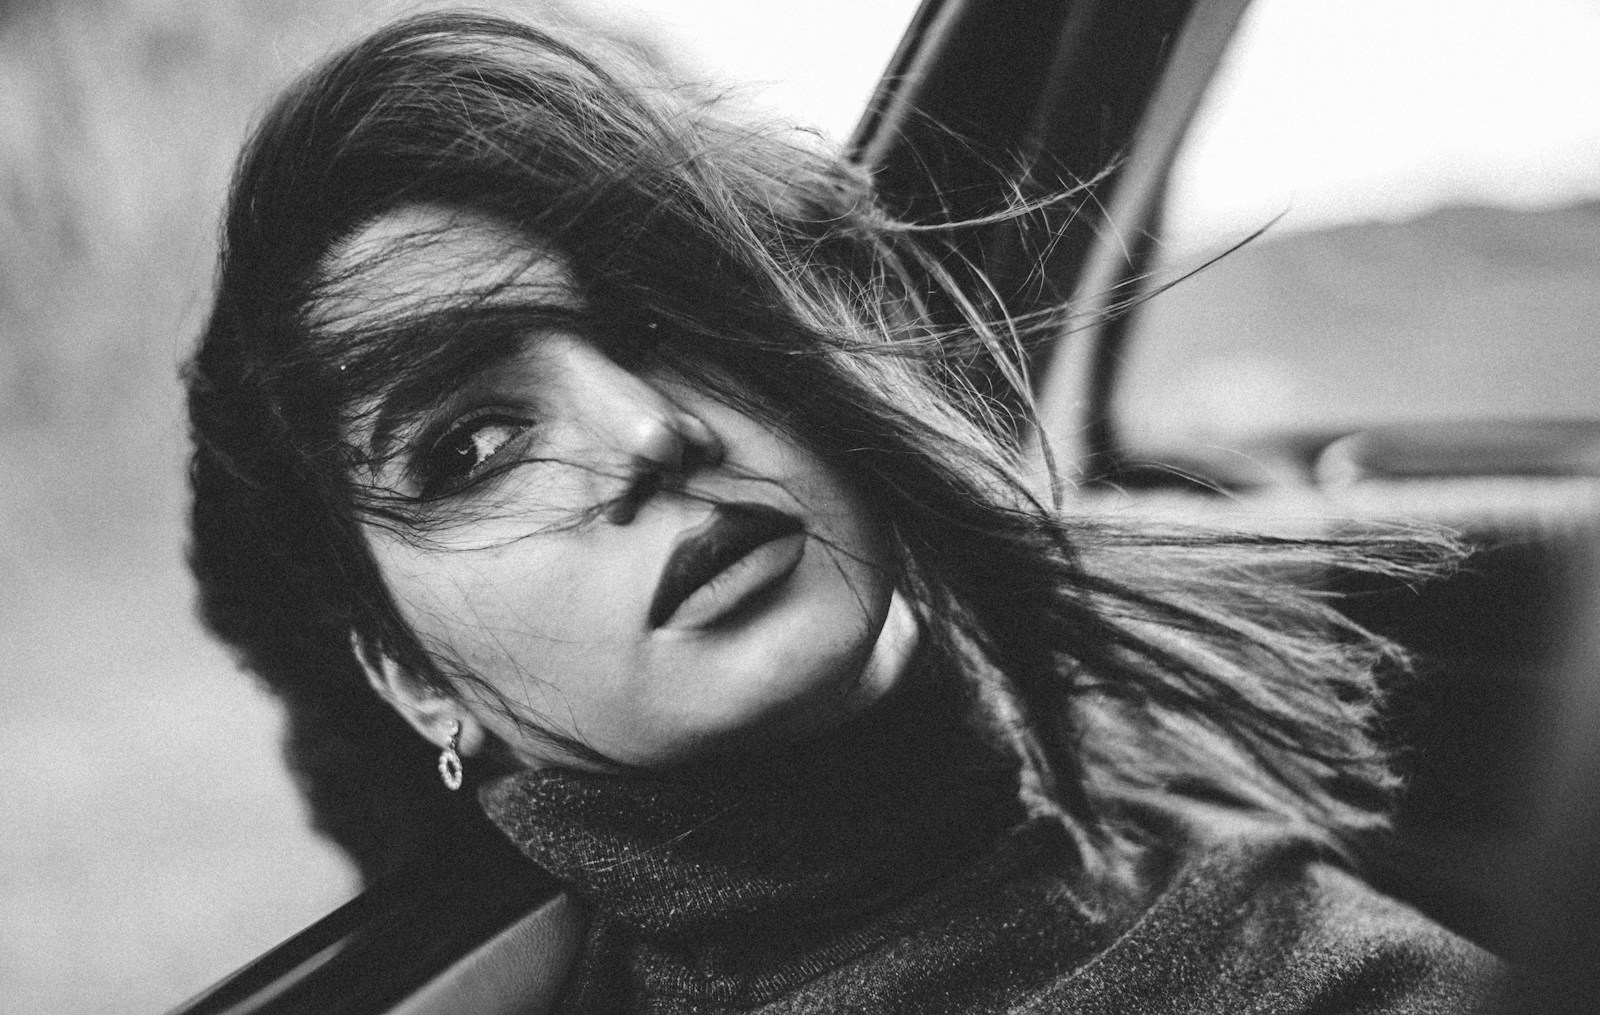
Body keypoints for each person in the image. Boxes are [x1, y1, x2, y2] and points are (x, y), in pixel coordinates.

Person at [185, 10, 1500, 1012]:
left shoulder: (1337, 980)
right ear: (412, 678)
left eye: (673, 319)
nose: (646, 436)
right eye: (472, 444)